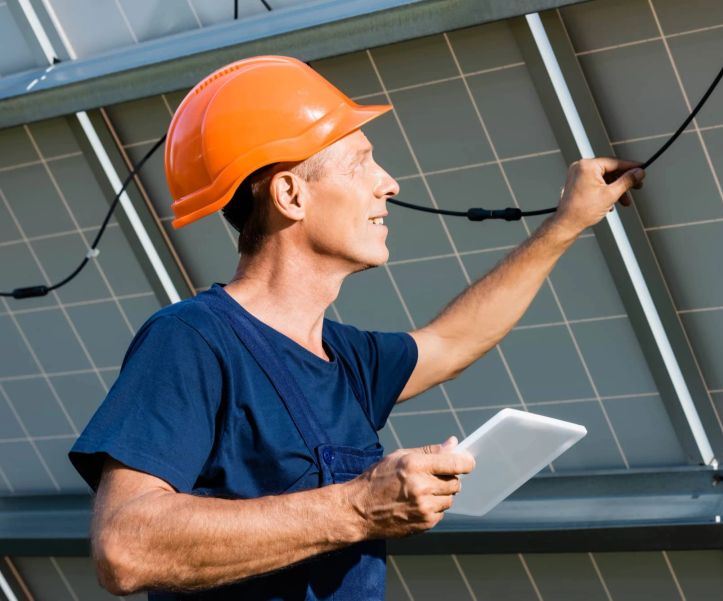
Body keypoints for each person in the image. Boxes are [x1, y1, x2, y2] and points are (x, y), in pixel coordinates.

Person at [68, 55, 644, 600]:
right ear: (290, 195)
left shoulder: (344, 357)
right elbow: (125, 547)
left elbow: (451, 341)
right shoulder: (192, 338)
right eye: (360, 162)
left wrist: (567, 224)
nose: (388, 183)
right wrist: (361, 505)